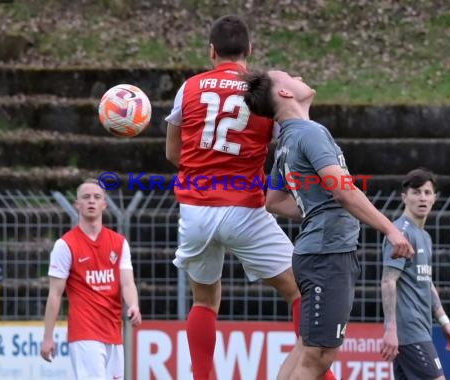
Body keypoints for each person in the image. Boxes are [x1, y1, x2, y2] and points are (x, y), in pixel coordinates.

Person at [165, 15, 337, 380]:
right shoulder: (263, 89)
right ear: (250, 50)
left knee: (204, 300)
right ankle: (321, 375)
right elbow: (289, 141)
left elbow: (173, 154)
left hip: (195, 210)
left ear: (211, 51)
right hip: (244, 207)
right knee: (299, 291)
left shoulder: (189, 88)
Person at [241, 69, 415, 379]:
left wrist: (315, 207)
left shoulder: (287, 140)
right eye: (289, 75)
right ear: (284, 94)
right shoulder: (309, 132)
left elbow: (274, 201)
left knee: (306, 348)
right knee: (318, 356)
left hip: (317, 252)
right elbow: (344, 190)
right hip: (327, 255)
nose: (298, 75)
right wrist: (390, 229)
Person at [40, 179, 142, 380]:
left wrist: (133, 305)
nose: (91, 201)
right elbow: (55, 294)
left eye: (97, 197)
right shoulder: (65, 245)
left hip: (113, 331)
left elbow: (127, 282)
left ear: (104, 204)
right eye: (85, 197)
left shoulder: (119, 243)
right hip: (84, 332)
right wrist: (47, 337)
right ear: (77, 205)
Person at [380, 168, 450, 379]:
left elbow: (426, 282)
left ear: (435, 198)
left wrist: (444, 322)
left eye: (427, 192)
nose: (422, 198)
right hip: (409, 332)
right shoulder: (400, 234)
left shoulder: (423, 236)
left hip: (421, 330)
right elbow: (388, 281)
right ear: (404, 197)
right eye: (416, 192)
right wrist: (390, 329)